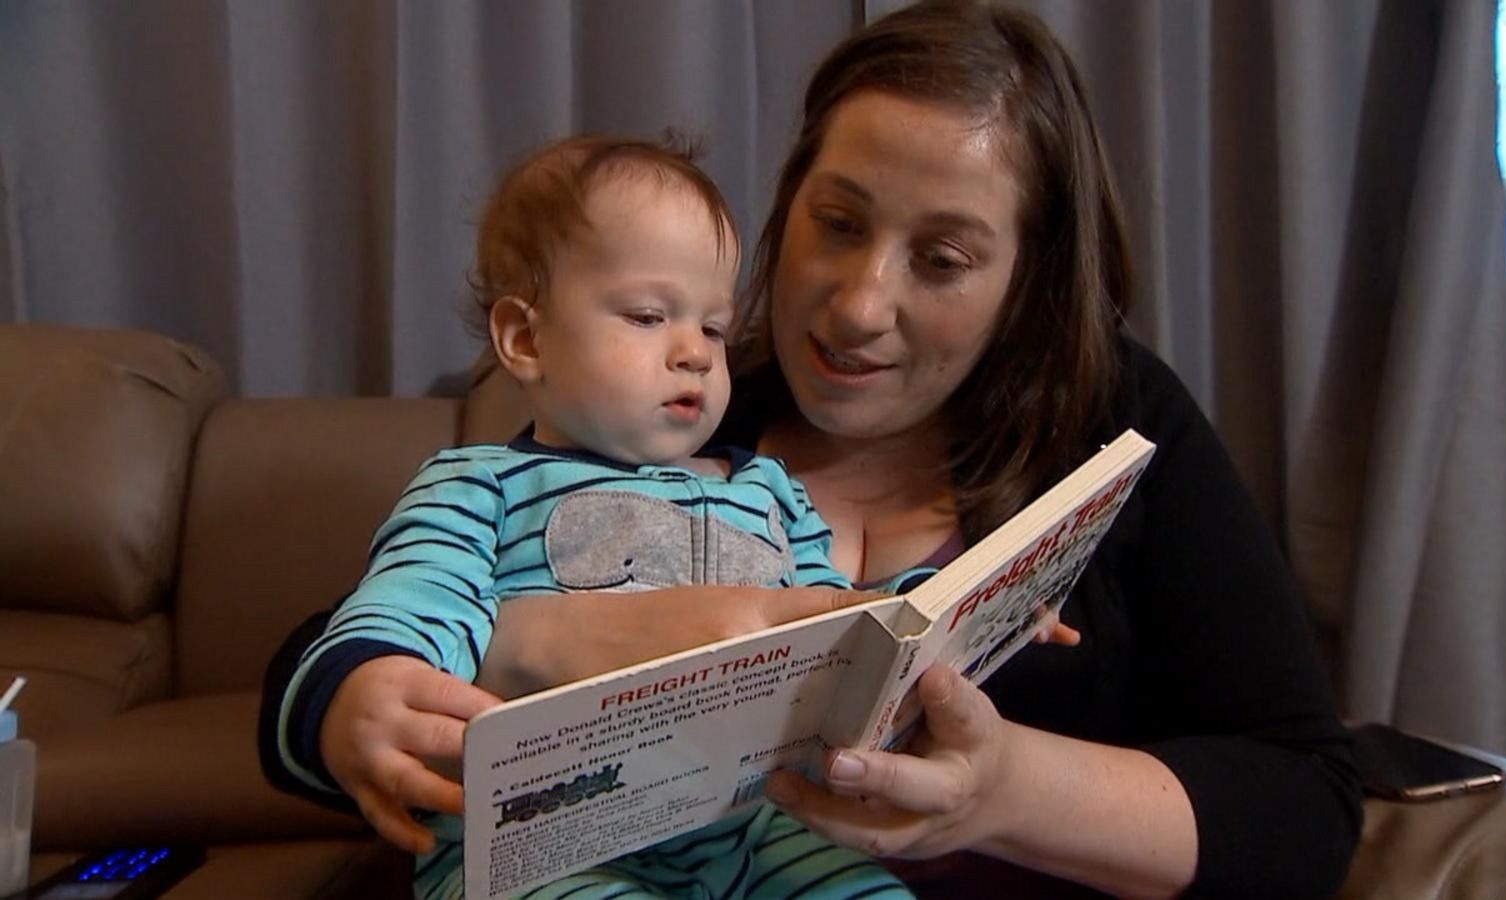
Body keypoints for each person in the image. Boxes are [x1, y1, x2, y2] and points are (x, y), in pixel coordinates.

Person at [261, 2, 1364, 897]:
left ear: (1024, 280)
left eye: (940, 257)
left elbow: (1305, 806)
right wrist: (553, 641)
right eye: (836, 223)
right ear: (787, 203)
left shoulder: (1108, 425)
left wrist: (1001, 788)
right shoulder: (677, 416)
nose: (858, 305)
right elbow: (378, 632)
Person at [271, 135, 938, 899]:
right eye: (649, 315)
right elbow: (411, 602)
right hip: (545, 843)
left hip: (747, 832)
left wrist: (946, 607)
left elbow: (845, 624)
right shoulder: (477, 486)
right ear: (526, 338)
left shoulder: (771, 492)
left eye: (715, 327)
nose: (694, 352)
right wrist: (359, 687)